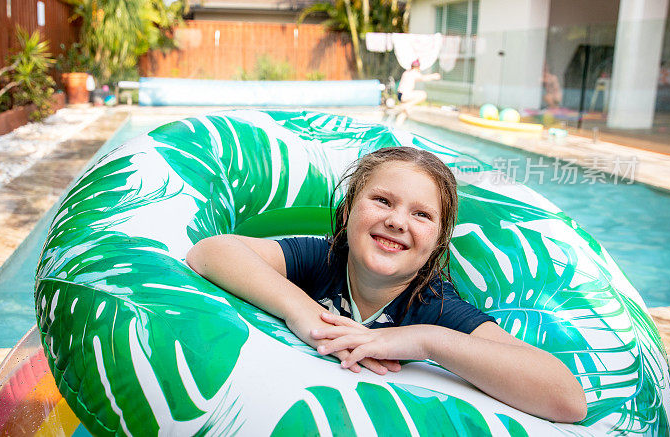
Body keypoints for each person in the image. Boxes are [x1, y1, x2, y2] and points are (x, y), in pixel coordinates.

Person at [187, 147, 587, 423]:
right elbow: (211, 251)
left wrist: (425, 340)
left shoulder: (434, 306)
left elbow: (568, 398)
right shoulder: (321, 259)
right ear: (346, 214)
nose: (398, 221)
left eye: (421, 214)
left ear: (436, 246)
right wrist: (303, 311)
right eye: (382, 200)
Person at [395, 59, 441, 125]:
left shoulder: (406, 72)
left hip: (400, 95)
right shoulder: (414, 72)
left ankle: (397, 125)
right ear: (417, 67)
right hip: (405, 95)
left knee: (404, 113)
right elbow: (423, 78)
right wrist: (434, 76)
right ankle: (407, 105)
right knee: (423, 94)